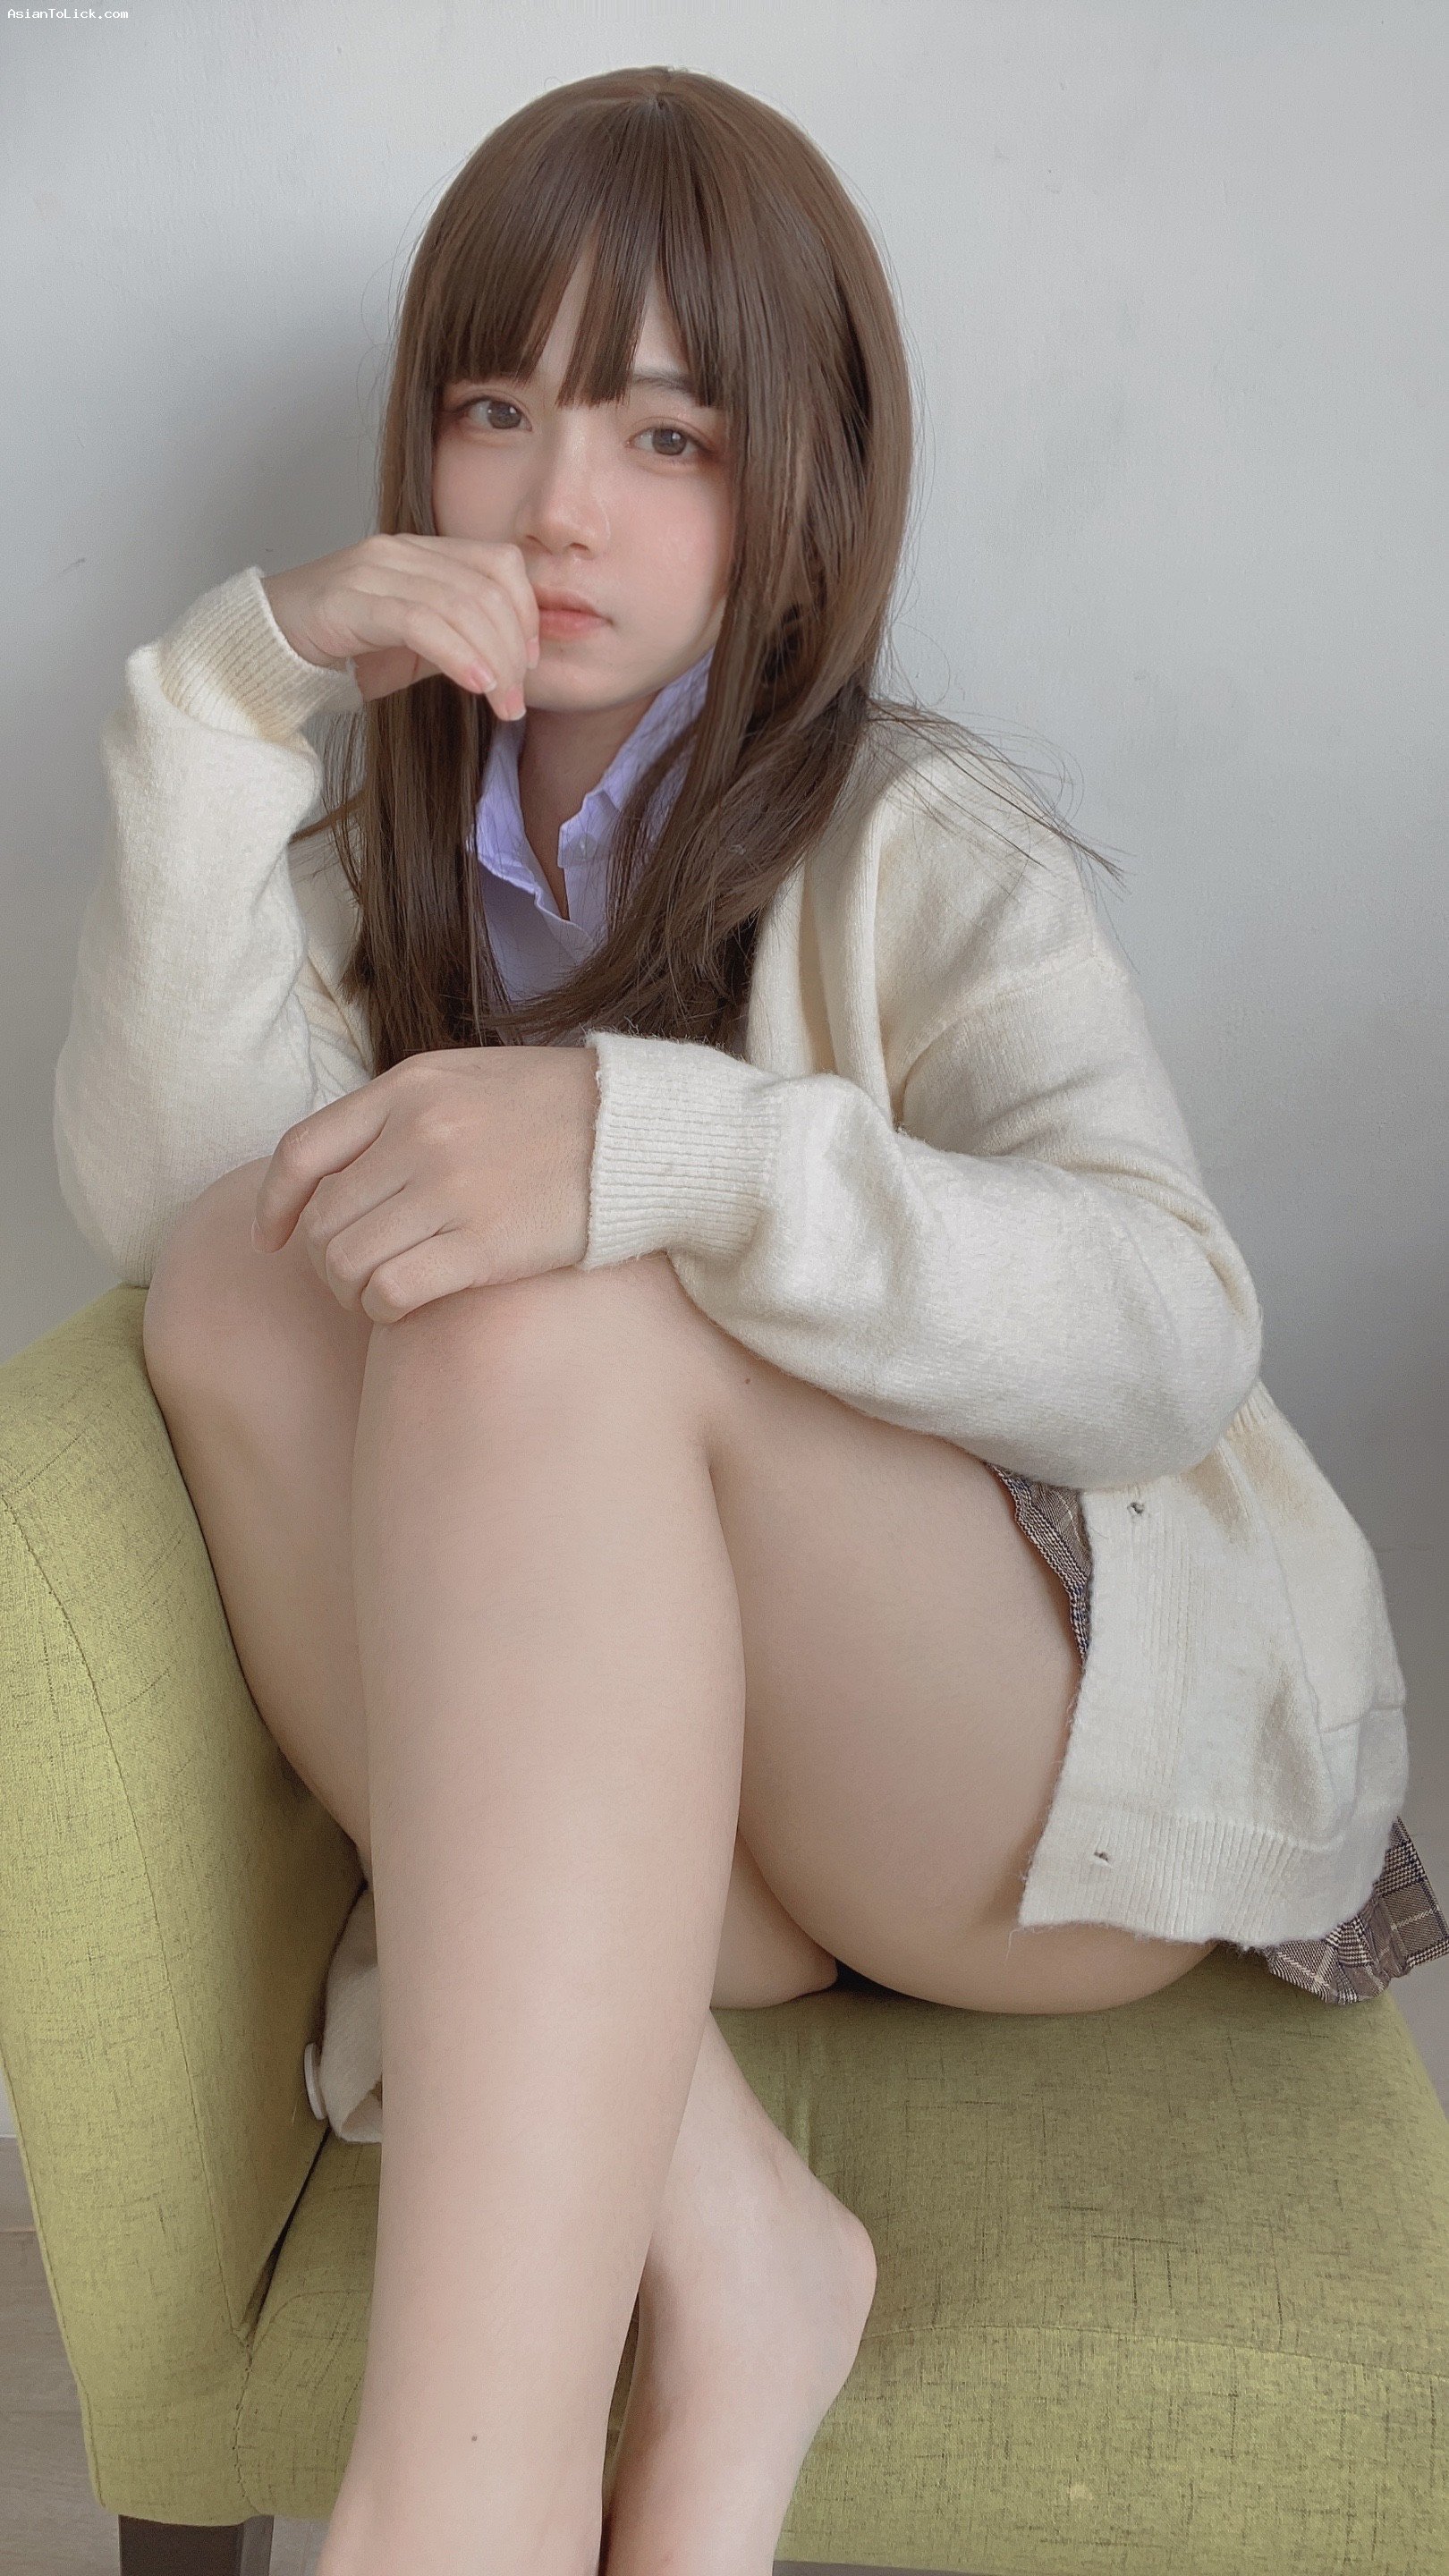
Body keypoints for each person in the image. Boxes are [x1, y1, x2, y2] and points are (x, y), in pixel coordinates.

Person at [52, 62, 1446, 2576]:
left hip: (1014, 1808)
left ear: (797, 492)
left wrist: (666, 1151)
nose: (555, 505)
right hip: (711, 1857)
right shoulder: (398, 851)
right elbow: (182, 1224)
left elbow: (1170, 1323)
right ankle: (740, 2246)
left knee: (541, 1309)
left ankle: (450, 2518)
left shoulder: (920, 836)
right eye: (497, 409)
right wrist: (232, 691)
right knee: (260, 1270)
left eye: (665, 433)